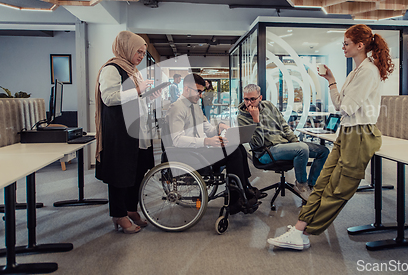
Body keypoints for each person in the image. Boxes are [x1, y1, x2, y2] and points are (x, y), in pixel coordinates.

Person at [267, 24, 394, 250]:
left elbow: (346, 107)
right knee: (323, 183)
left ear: (360, 45)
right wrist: (331, 80)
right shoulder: (356, 71)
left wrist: (341, 99)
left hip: (360, 134)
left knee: (338, 189)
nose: (343, 47)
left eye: (346, 43)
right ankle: (299, 229)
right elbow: (339, 105)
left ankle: (304, 230)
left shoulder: (368, 71)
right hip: (347, 131)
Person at [166, 73, 265, 211]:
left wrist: (219, 128)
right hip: (190, 154)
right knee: (234, 153)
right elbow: (177, 140)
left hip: (201, 149)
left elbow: (207, 128)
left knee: (238, 146)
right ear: (187, 89)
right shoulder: (177, 108)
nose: (200, 95)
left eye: (202, 91)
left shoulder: (195, 106)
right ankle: (236, 199)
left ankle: (244, 187)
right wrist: (206, 141)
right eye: (198, 91)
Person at [95, 31, 160, 234]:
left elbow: (133, 100)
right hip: (120, 133)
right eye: (138, 51)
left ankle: (131, 210)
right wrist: (139, 91)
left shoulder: (133, 71)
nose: (141, 56)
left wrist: (147, 97)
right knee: (120, 176)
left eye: (143, 52)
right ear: (126, 49)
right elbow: (109, 98)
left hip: (136, 132)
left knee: (137, 172)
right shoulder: (112, 69)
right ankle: (119, 215)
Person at [237, 84, 330, 201]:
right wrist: (256, 120)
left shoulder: (268, 106)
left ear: (260, 98)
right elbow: (258, 144)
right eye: (246, 99)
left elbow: (283, 125)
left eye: (253, 99)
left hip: (284, 144)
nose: (249, 103)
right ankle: (301, 184)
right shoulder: (242, 118)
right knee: (301, 149)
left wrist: (294, 140)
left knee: (323, 151)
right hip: (266, 152)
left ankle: (311, 186)